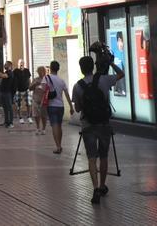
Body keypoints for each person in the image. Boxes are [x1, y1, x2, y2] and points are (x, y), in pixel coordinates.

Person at [72, 43, 124, 205]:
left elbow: (78, 108)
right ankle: (102, 185)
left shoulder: (77, 86)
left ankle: (94, 187)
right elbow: (121, 74)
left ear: (81, 68)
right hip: (103, 124)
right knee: (104, 156)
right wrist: (110, 63)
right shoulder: (104, 79)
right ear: (92, 67)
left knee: (92, 157)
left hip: (88, 125)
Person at [45, 60, 73, 154]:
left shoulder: (47, 78)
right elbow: (67, 94)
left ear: (50, 68)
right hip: (60, 106)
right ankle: (59, 144)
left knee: (54, 125)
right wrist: (71, 107)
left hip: (51, 105)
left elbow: (41, 89)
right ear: (58, 69)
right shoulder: (61, 81)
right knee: (59, 126)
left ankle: (58, 146)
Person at [0, 61, 15, 127]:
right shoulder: (6, 72)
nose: (4, 65)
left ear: (9, 66)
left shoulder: (10, 73)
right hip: (2, 92)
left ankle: (11, 123)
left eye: (5, 64)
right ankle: (6, 122)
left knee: (9, 107)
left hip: (7, 93)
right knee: (5, 108)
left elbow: (2, 76)